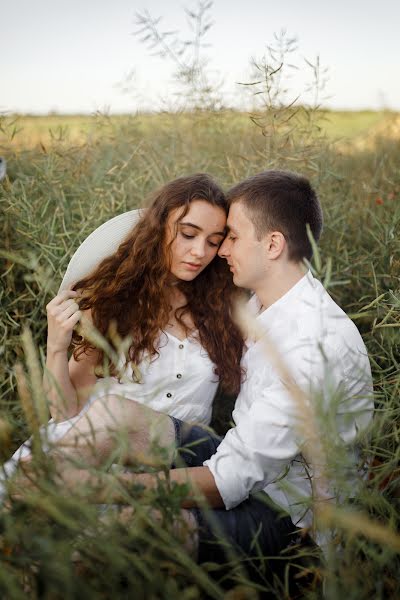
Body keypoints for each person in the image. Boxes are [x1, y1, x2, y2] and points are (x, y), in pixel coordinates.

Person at [14, 170, 375, 578]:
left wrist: (93, 487)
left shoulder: (309, 346)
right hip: (247, 464)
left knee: (134, 523)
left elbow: (231, 480)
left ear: (273, 245)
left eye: (229, 238)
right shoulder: (263, 304)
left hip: (289, 513)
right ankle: (26, 501)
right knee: (114, 413)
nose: (217, 252)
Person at [3, 173, 243, 477]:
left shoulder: (223, 310)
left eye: (213, 242)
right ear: (159, 230)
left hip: (172, 468)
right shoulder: (113, 302)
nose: (199, 252)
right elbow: (65, 413)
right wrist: (56, 346)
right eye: (188, 234)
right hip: (88, 452)